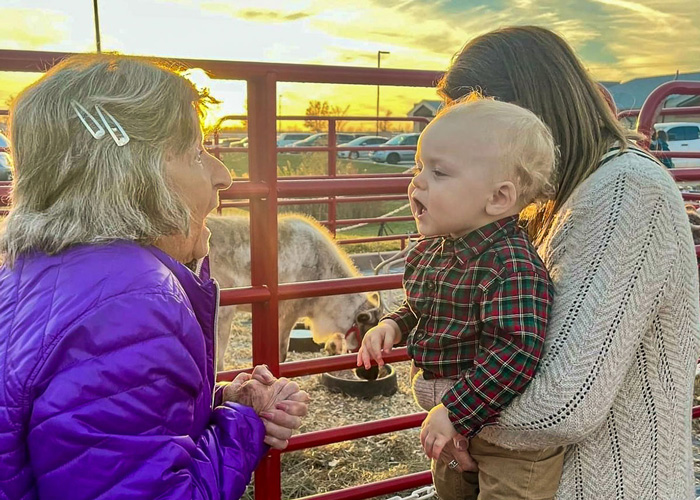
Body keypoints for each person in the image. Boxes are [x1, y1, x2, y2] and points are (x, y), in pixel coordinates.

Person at [402, 26, 700, 500]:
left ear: (522, 118)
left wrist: (443, 401)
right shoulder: (554, 201)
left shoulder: (624, 191)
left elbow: (561, 404)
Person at [0, 54, 309, 500]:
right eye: (198, 153)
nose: (223, 175)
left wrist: (214, 406)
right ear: (138, 177)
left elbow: (85, 430)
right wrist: (244, 427)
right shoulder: (131, 309)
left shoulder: (25, 276)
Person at [358, 96, 563, 498]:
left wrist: (455, 412)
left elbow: (516, 353)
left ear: (498, 199)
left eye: (439, 172)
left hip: (509, 442)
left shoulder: (511, 268)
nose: (417, 182)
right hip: (453, 424)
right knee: (450, 491)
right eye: (419, 167)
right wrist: (392, 325)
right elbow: (422, 308)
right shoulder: (433, 251)